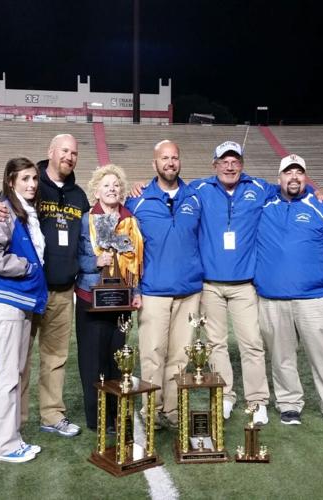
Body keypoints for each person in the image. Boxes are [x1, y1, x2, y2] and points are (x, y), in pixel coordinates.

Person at [191, 141, 323, 425]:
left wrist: (317, 192)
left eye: (235, 161)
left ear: (242, 165)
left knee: (252, 344)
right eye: (224, 161)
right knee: (215, 345)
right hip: (209, 284)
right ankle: (225, 396)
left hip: (245, 284)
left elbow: (292, 188)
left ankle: (257, 399)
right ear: (215, 165)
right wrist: (138, 188)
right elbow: (167, 189)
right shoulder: (198, 190)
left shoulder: (259, 189)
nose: (229, 166)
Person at [0, 134, 88, 438]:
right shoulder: (32, 184)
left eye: (74, 153)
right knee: (19, 360)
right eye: (64, 150)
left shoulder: (79, 195)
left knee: (55, 357)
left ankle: (52, 415)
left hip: (63, 290)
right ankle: (17, 421)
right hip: (28, 291)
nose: (69, 156)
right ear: (50, 152)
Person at [254, 154, 323, 431]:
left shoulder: (322, 207)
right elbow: (238, 182)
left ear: (306, 177)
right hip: (272, 298)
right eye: (288, 173)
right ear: (279, 179)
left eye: (299, 173)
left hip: (315, 298)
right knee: (281, 357)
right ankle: (289, 405)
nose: (293, 178)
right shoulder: (264, 203)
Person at [125, 140, 203, 429]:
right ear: (154, 163)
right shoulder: (138, 199)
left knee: (181, 355)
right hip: (154, 291)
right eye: (164, 158)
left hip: (189, 291)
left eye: (175, 158)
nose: (170, 163)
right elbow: (126, 246)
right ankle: (150, 411)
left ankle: (172, 410)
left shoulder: (195, 196)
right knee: (152, 354)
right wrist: (134, 288)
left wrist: (313, 189)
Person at [0, 157, 47, 463]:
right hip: (7, 303)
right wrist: (24, 267)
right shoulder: (4, 211)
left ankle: (12, 439)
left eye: (34, 178)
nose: (32, 184)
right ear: (10, 182)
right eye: (25, 179)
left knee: (15, 373)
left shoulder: (26, 211)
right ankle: (2, 447)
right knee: (7, 376)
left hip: (22, 303)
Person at [75, 164, 144, 431]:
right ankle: (96, 417)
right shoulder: (85, 220)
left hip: (121, 299)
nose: (112, 189)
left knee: (117, 360)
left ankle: (117, 414)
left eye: (116, 185)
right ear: (96, 190)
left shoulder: (130, 221)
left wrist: (136, 293)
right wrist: (95, 260)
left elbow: (137, 260)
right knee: (92, 360)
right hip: (90, 298)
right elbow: (76, 258)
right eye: (106, 185)